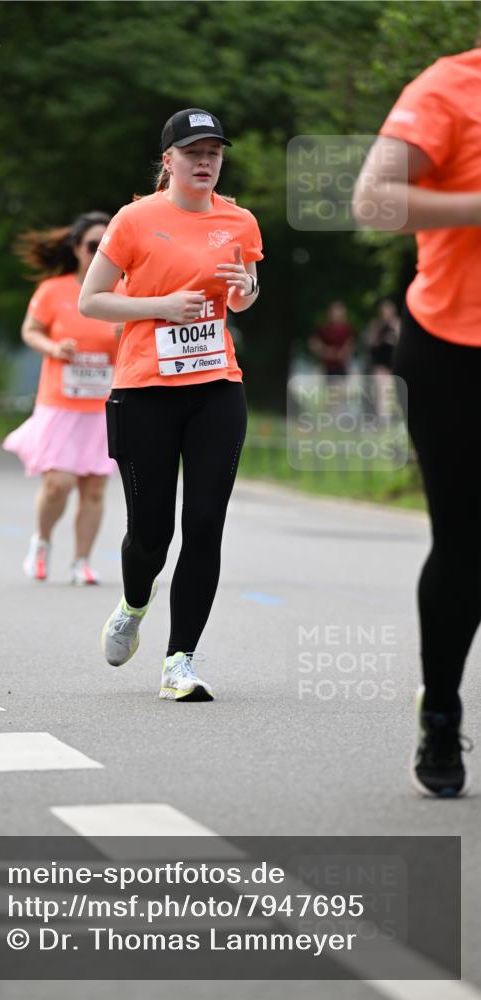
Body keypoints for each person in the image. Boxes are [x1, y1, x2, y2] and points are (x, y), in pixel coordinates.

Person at [79, 108, 263, 701]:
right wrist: (159, 307)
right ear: (168, 161)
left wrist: (246, 291)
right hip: (145, 390)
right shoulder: (135, 220)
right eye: (193, 152)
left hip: (216, 385)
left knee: (205, 523)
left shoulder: (239, 221)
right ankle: (134, 604)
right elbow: (92, 301)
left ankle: (179, 662)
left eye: (214, 152)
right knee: (150, 533)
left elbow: (243, 299)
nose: (205, 161)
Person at [353, 44, 481, 797]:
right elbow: (372, 202)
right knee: (465, 545)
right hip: (456, 349)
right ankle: (439, 708)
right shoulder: (450, 86)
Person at [3, 211, 121, 585]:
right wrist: (54, 348)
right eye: (92, 246)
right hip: (60, 403)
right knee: (60, 482)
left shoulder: (124, 291)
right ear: (76, 249)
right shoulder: (53, 290)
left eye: (107, 245)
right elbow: (30, 331)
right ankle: (42, 540)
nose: (99, 251)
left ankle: (82, 561)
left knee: (95, 487)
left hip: (104, 405)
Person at [363, 299, 400, 420]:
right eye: (384, 311)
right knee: (382, 393)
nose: (386, 313)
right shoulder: (376, 325)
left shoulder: (398, 324)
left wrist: (394, 335)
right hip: (380, 365)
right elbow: (370, 342)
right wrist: (380, 336)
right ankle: (385, 421)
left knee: (396, 394)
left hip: (395, 365)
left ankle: (398, 419)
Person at [308, 301, 355, 380]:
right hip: (327, 366)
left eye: (339, 312)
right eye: (334, 312)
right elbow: (313, 343)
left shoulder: (347, 329)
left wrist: (343, 352)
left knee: (340, 389)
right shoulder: (324, 328)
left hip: (342, 366)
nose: (336, 315)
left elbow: (350, 345)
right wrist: (325, 350)